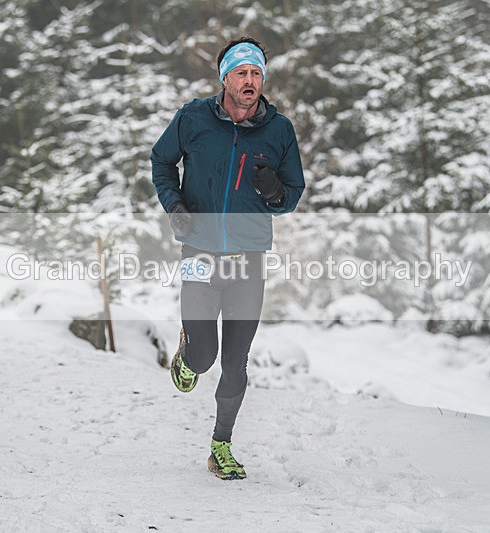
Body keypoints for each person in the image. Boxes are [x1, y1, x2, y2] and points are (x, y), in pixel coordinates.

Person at [150, 37, 306, 480]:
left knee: (235, 362)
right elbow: (162, 163)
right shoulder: (193, 118)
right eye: (242, 73)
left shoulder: (279, 130)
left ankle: (221, 445)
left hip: (249, 260)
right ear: (225, 79)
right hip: (199, 252)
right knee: (204, 357)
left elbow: (292, 195)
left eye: (256, 74)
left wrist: (276, 192)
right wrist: (175, 205)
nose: (250, 81)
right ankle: (187, 355)